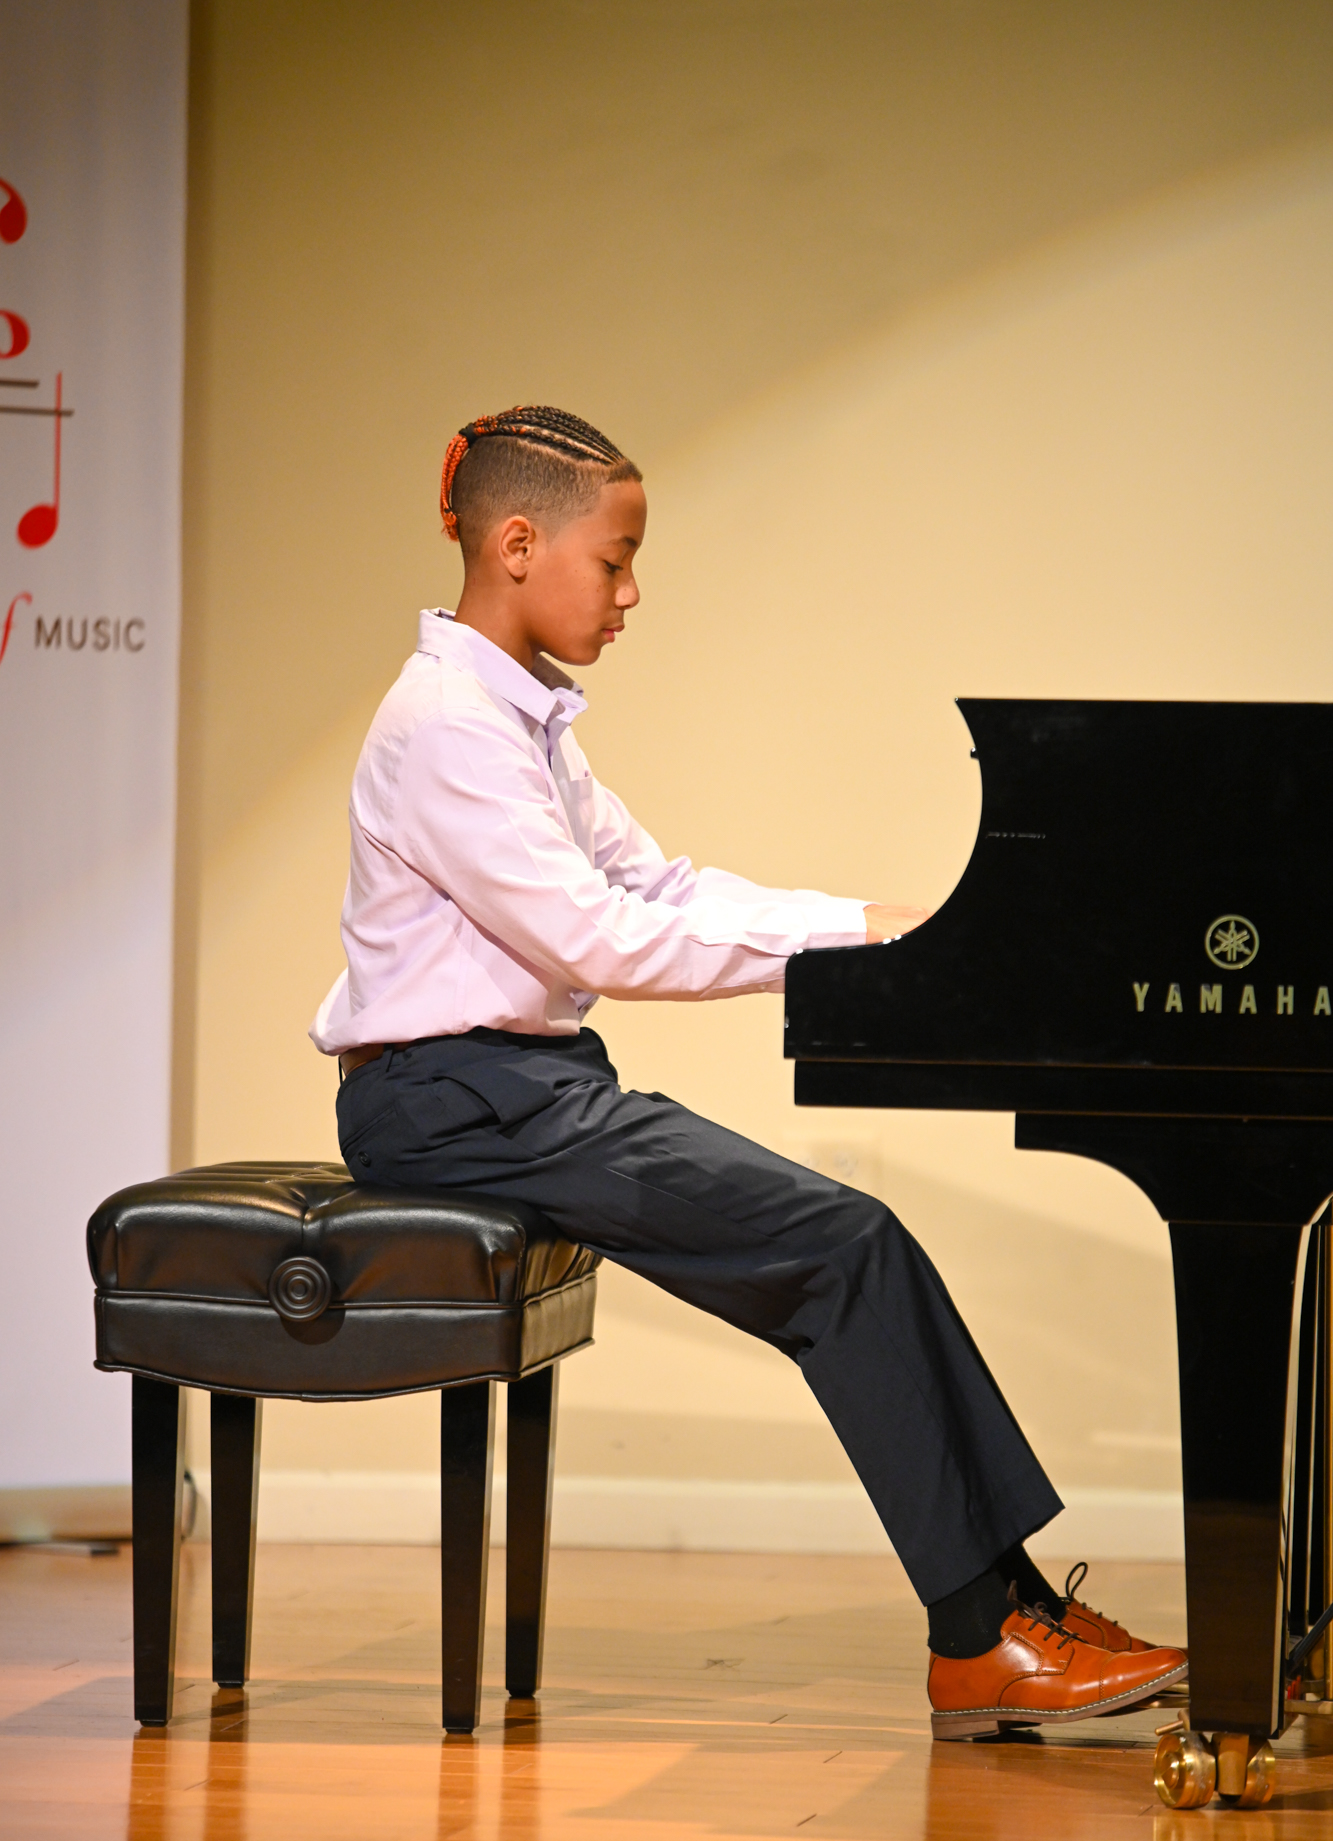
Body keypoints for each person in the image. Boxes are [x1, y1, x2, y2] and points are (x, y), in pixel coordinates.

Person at [311, 405, 1186, 1738]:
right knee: (842, 1245)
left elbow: (659, 885)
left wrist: (873, 928)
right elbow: (600, 938)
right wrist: (839, 968)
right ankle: (977, 1640)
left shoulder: (519, 719)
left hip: (513, 1091)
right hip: (452, 1102)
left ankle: (1013, 1611)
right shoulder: (444, 725)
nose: (630, 593)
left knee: (855, 1242)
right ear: (516, 545)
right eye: (615, 562)